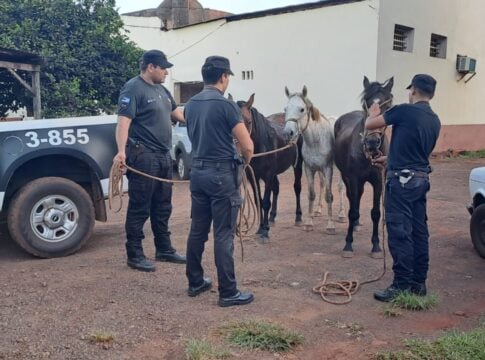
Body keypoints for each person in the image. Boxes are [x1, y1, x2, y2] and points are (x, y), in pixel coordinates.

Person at [184, 56, 255, 307]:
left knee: (197, 230)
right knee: (224, 235)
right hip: (221, 175)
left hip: (198, 173)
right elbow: (247, 145)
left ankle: (195, 282)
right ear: (223, 77)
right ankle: (228, 292)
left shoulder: (190, 105)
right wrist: (244, 162)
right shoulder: (226, 106)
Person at [365, 74, 441, 302]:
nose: (409, 94)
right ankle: (419, 284)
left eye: (410, 90)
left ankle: (401, 285)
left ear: (414, 91)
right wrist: (390, 159)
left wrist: (373, 111)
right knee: (419, 232)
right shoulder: (434, 120)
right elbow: (416, 153)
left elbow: (371, 125)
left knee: (399, 232)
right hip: (420, 180)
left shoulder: (404, 111)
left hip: (401, 183)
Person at [114, 49, 186, 272]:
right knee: (140, 206)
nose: (166, 72)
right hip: (144, 156)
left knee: (163, 206)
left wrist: (205, 115)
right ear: (150, 67)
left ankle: (164, 249)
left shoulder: (163, 90)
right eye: (163, 67)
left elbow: (179, 115)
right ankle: (134, 254)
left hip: (164, 156)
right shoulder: (133, 88)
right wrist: (121, 152)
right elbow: (123, 122)